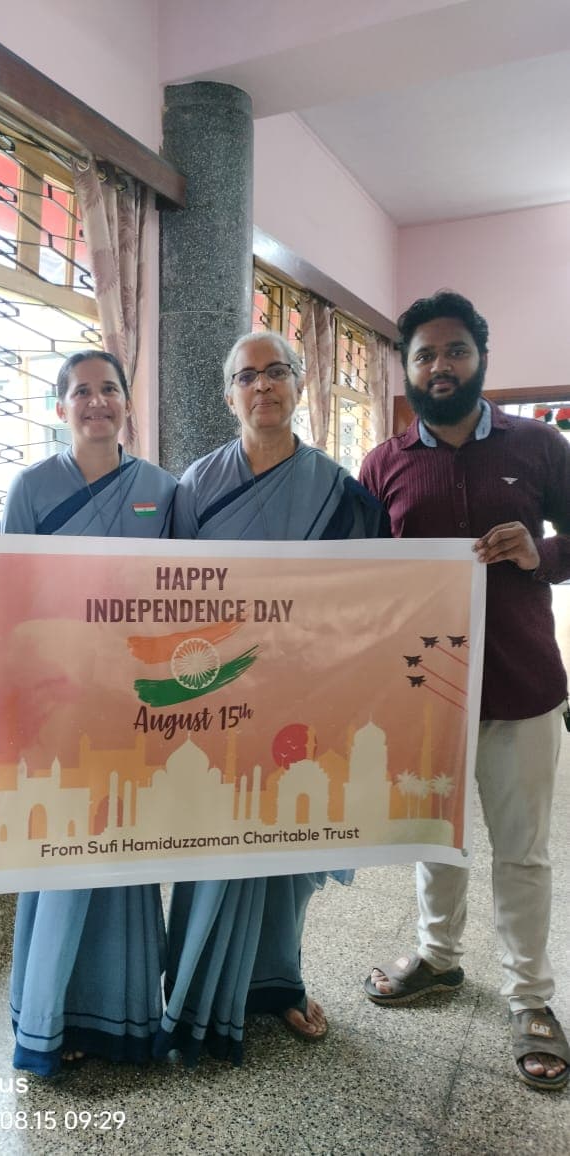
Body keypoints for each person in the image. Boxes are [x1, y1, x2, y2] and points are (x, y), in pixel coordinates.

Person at [359, 290, 570, 1092]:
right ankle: (438, 959)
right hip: (425, 693)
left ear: (479, 358)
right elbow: (359, 577)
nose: (438, 367)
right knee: (431, 838)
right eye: (422, 355)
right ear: (406, 369)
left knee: (522, 852)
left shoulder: (539, 446)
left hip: (521, 687)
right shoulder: (383, 464)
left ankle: (530, 998)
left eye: (452, 351)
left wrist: (538, 554)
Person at [158, 331, 388, 1065]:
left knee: (288, 850)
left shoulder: (340, 488)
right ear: (229, 395)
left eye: (277, 372)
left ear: (298, 385)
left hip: (304, 697)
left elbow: (364, 599)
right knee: (211, 845)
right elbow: (169, 599)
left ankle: (279, 983)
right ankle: (192, 987)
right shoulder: (194, 485)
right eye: (247, 376)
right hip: (218, 697)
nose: (263, 386)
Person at [1, 349, 177, 1076]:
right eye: (80, 391)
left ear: (127, 403)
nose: (96, 402)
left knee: (124, 850)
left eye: (108, 389)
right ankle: (47, 1018)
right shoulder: (32, 487)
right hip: (57, 702)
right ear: (59, 407)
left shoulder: (162, 490)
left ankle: (123, 1016)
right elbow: (6, 593)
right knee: (63, 849)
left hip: (131, 700)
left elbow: (183, 595)